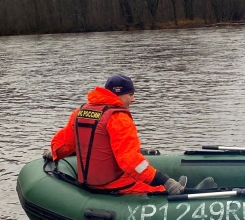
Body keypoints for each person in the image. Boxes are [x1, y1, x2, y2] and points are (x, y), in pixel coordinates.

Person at [47, 74, 215, 195]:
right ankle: (189, 193)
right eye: (131, 95)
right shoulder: (118, 118)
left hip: (88, 182)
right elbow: (132, 163)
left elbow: (64, 144)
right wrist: (164, 180)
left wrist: (54, 153)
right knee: (157, 190)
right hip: (114, 184)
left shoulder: (80, 112)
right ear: (118, 94)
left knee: (145, 174)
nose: (133, 100)